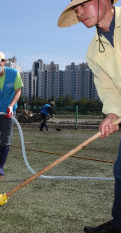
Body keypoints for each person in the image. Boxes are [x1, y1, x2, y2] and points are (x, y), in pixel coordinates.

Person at [58, 0, 121, 232]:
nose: (79, 11)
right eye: (76, 9)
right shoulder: (94, 50)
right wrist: (112, 114)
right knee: (120, 171)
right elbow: (110, 89)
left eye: (83, 4)